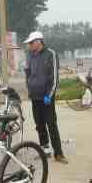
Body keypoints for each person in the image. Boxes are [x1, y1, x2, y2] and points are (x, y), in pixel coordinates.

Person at [24, 31, 68, 164]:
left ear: (39, 42)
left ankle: (58, 154)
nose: (29, 45)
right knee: (39, 124)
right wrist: (29, 87)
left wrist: (49, 95)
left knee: (51, 124)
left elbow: (54, 77)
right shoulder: (30, 55)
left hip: (46, 97)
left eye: (31, 43)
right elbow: (28, 73)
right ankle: (45, 150)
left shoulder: (51, 54)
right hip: (35, 96)